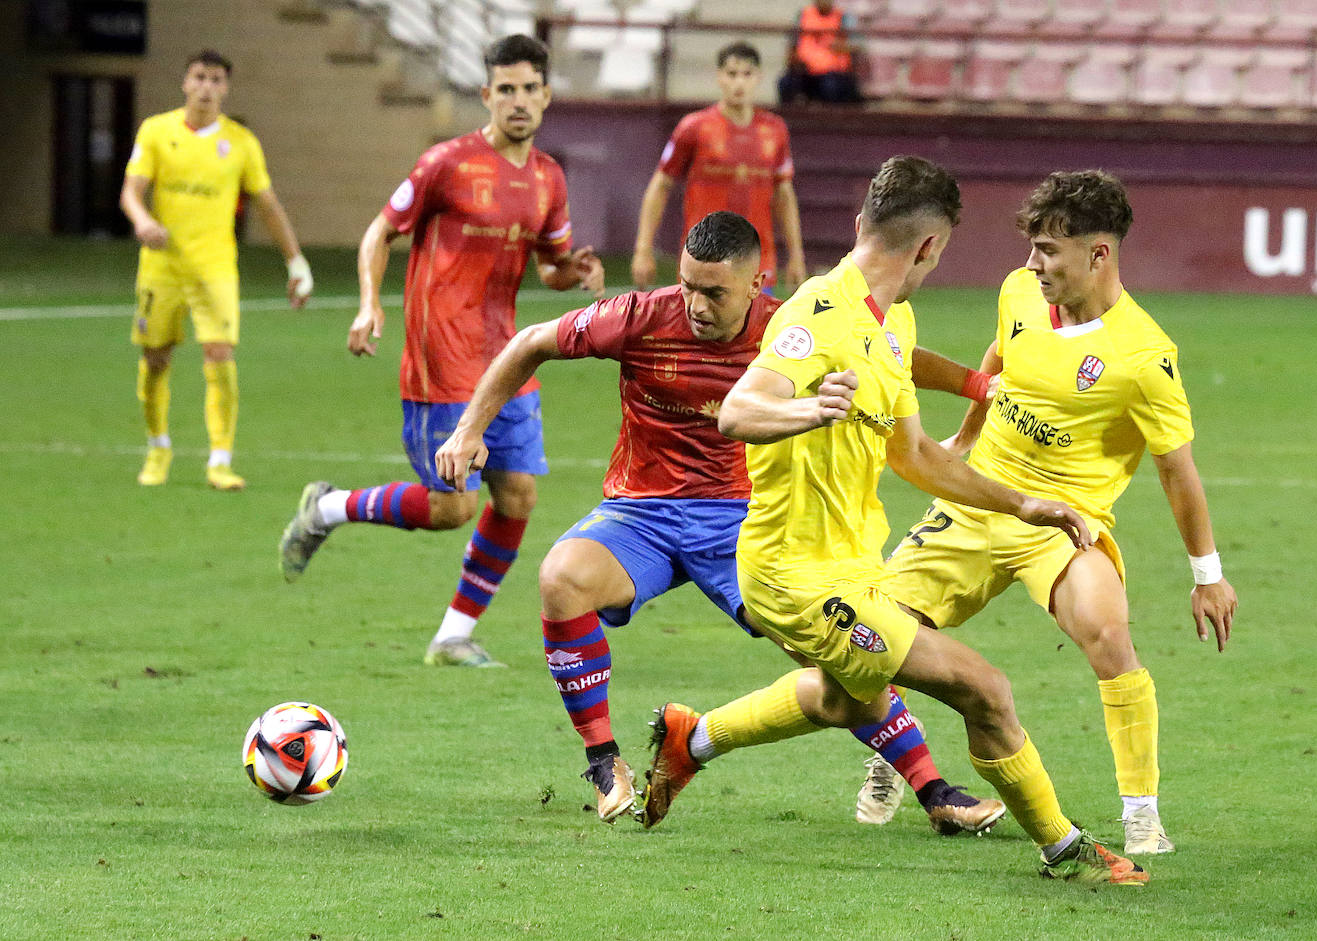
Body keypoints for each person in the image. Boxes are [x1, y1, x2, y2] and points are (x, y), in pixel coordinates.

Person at [641, 156, 1150, 885]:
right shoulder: (819, 315)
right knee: (985, 688)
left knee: (841, 695)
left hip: (852, 565)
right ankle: (1067, 849)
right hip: (795, 576)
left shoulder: (894, 321)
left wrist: (1023, 503)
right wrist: (805, 409)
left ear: (862, 226)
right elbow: (738, 409)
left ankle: (692, 741)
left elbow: (917, 457)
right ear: (930, 249)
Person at [433, 211, 1004, 832]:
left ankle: (931, 787)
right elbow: (530, 343)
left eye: (714, 292)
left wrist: (975, 384)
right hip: (641, 512)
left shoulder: (791, 325)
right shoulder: (638, 316)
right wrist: (468, 430)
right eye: (687, 286)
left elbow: (895, 355)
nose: (696, 305)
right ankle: (604, 761)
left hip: (743, 520)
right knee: (562, 578)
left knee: (837, 655)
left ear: (756, 284)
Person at [864, 170, 1238, 855]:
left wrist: (1207, 572)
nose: (1032, 264)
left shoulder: (1144, 356)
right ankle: (894, 760)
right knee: (878, 630)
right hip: (982, 498)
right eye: (1032, 247)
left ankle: (1141, 813)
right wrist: (969, 434)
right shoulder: (1018, 293)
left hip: (1065, 521)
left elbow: (1176, 468)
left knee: (1109, 634)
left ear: (1099, 255)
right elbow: (1000, 356)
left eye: (1048, 251)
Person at [277, 35, 604, 668]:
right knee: (454, 506)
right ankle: (328, 507)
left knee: (517, 498)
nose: (517, 101)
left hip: (506, 361)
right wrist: (370, 303)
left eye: (528, 89)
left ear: (545, 96)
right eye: (504, 89)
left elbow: (550, 268)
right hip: (441, 360)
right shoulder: (446, 163)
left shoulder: (548, 178)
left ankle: (452, 636)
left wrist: (575, 272)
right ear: (486, 95)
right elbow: (381, 231)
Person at [121, 48, 313, 490]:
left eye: (215, 80)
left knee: (220, 354)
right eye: (199, 77)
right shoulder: (156, 131)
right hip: (161, 268)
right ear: (185, 83)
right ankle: (158, 448)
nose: (206, 87)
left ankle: (220, 461)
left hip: (215, 269)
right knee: (155, 359)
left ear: (226, 88)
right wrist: (143, 219)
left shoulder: (241, 143)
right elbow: (131, 191)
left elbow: (268, 206)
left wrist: (296, 261)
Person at [631, 41, 806, 295]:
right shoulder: (694, 128)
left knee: (756, 333)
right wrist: (643, 249)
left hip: (757, 262)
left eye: (747, 74)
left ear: (758, 78)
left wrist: (796, 255)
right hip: (703, 258)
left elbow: (784, 195)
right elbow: (660, 186)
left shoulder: (775, 131)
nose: (739, 83)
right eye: (732, 74)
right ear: (719, 77)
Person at [777, 1, 862, 105]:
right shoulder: (803, 15)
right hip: (805, 71)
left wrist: (841, 47)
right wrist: (794, 60)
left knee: (831, 87)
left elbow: (858, 46)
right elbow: (792, 45)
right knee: (786, 83)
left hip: (834, 74)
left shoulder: (844, 17)